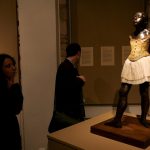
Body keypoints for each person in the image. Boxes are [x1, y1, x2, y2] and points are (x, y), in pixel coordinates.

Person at [105, 12, 150, 128]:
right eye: (134, 16)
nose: (134, 18)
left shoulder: (149, 34)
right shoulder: (131, 34)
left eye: (138, 16)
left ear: (144, 19)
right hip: (130, 62)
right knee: (123, 91)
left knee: (144, 92)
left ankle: (144, 119)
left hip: (143, 61)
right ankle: (117, 120)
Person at [48, 43, 86, 133]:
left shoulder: (66, 66)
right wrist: (81, 80)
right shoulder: (66, 67)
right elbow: (71, 86)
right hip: (68, 114)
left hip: (68, 113)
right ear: (78, 53)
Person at [0, 54, 24, 149]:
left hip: (12, 127)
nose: (13, 68)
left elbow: (17, 109)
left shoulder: (15, 87)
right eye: (8, 66)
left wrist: (13, 87)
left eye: (13, 64)